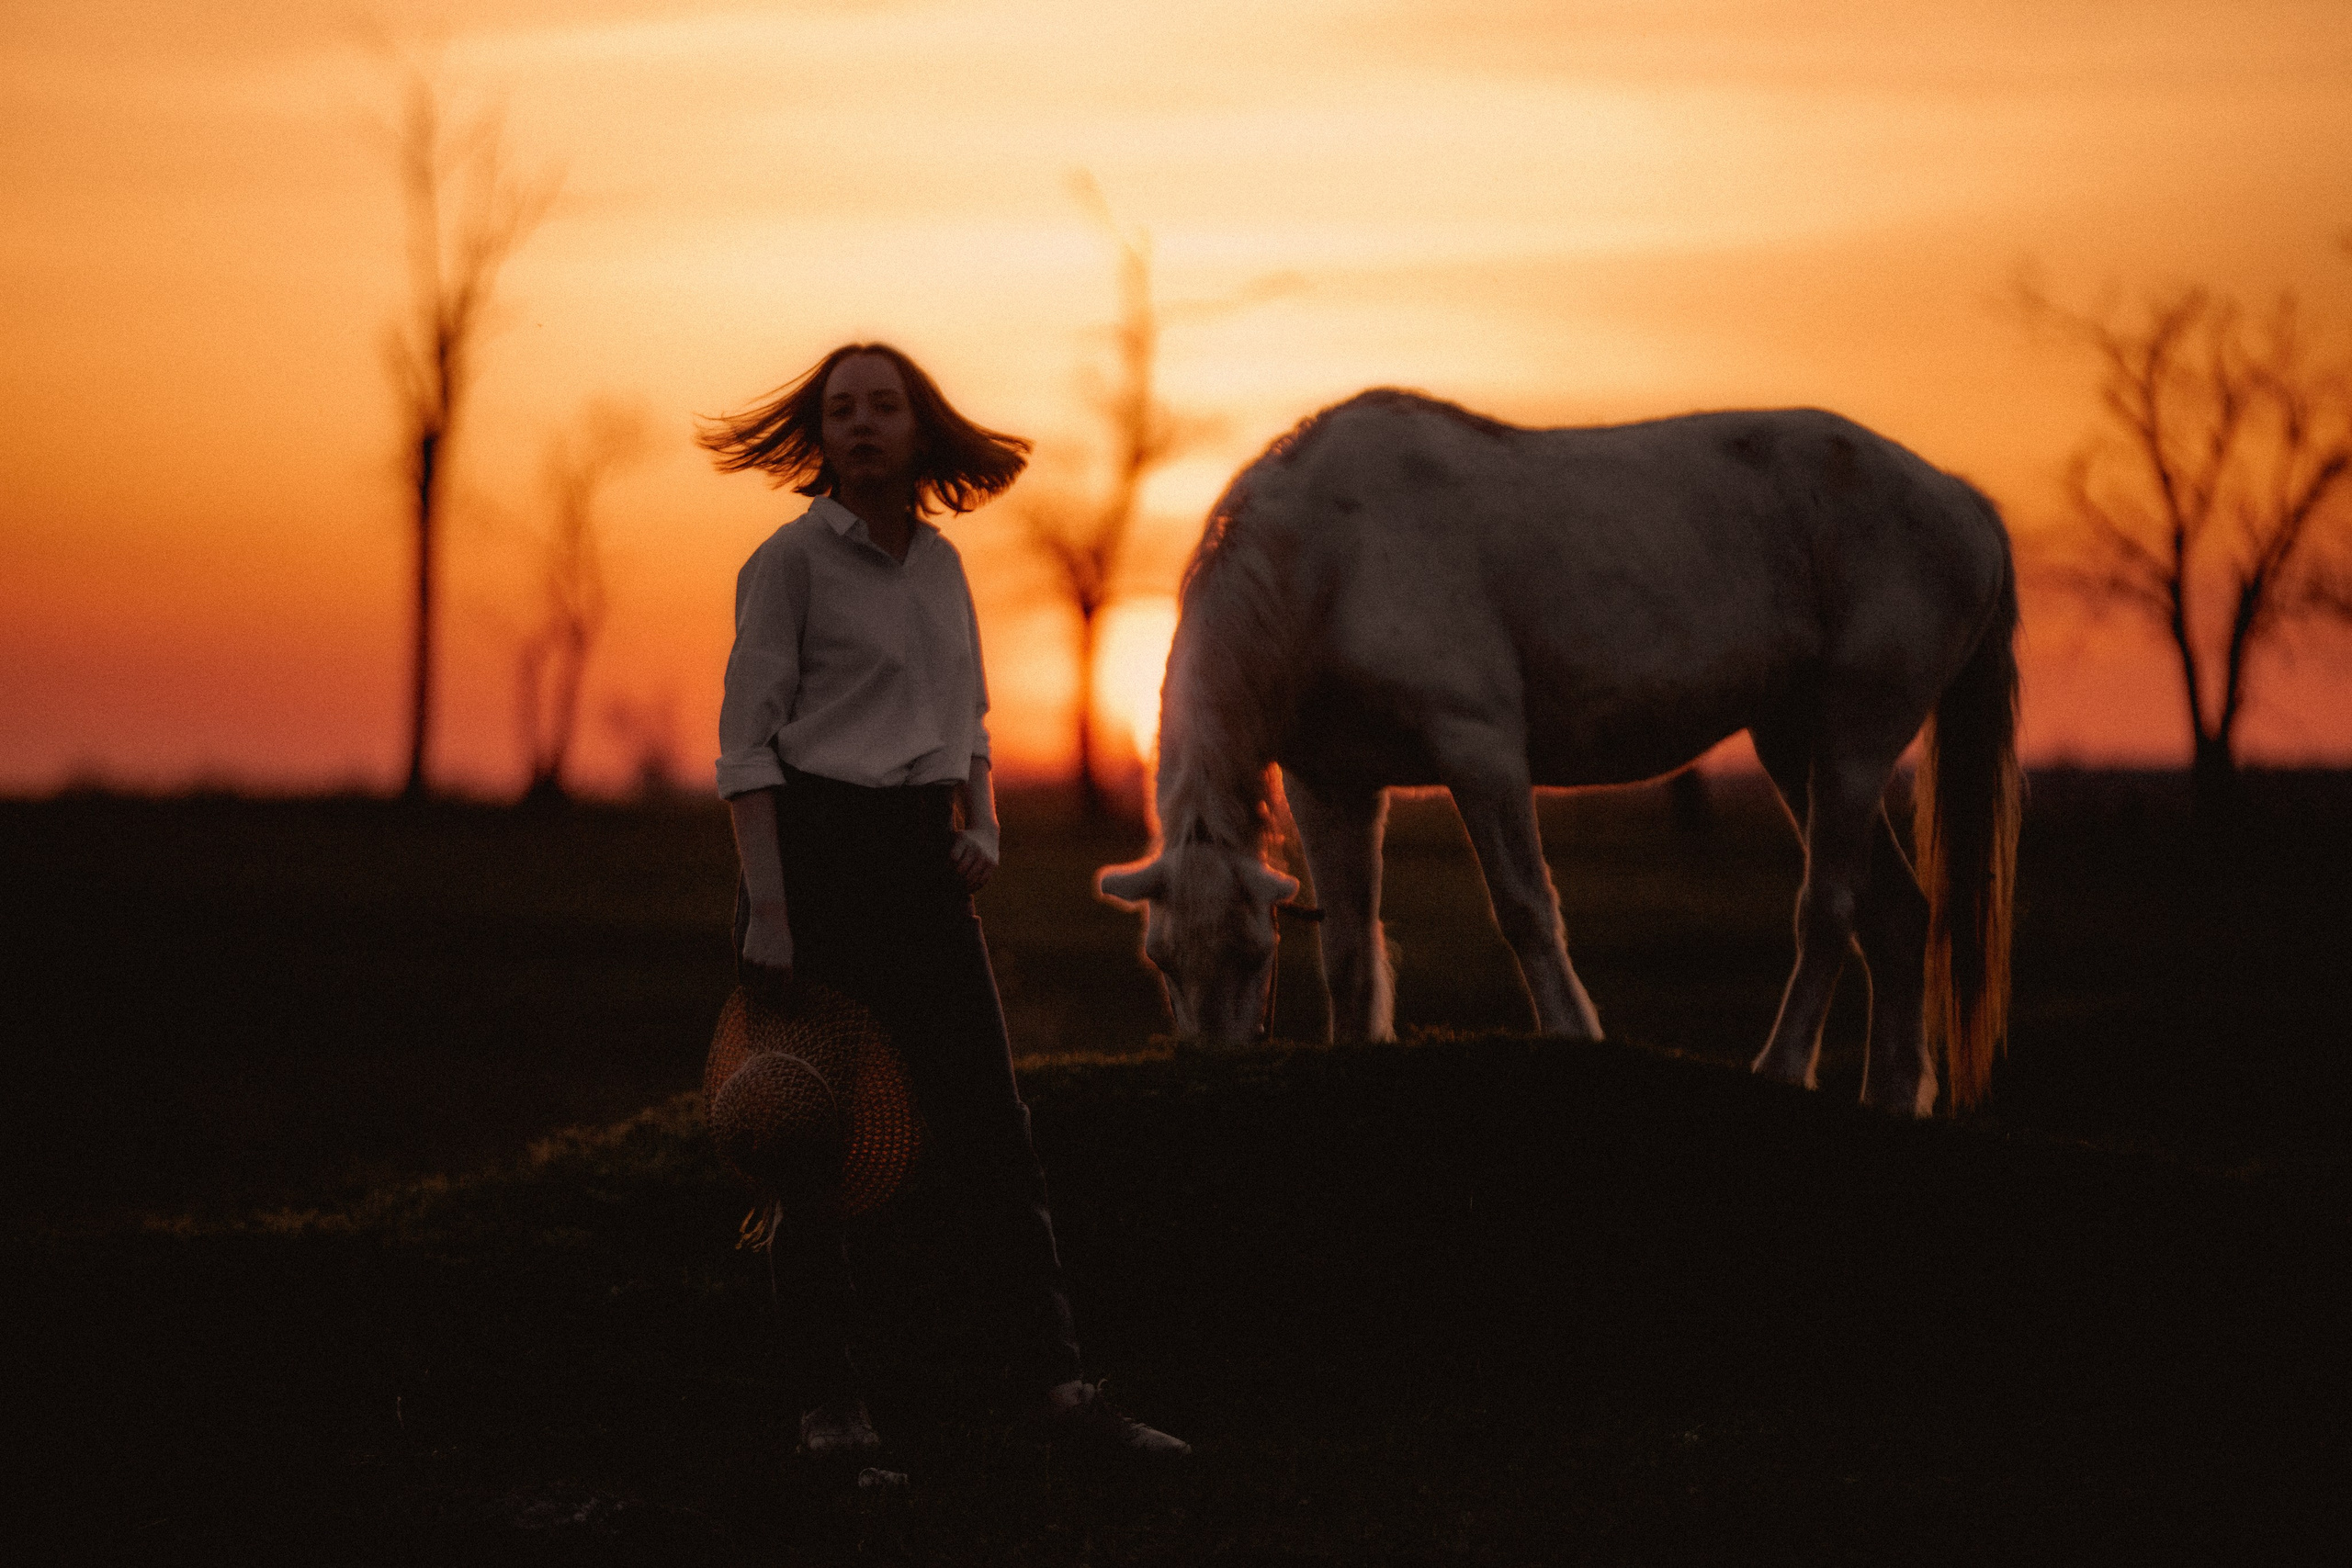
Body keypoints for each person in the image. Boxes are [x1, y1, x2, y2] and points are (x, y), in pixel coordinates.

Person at [702, 342, 1188, 1465]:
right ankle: (833, 1416)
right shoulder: (787, 565)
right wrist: (769, 913)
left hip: (924, 867)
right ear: (817, 436)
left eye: (885, 407)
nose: (863, 424)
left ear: (921, 430)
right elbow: (744, 752)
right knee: (809, 1142)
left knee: (990, 1135)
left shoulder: (942, 567)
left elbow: (966, 721)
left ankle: (1054, 1392)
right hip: (815, 866)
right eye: (842, 410)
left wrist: (983, 827)